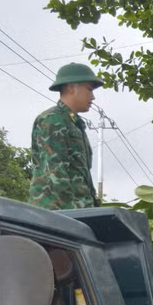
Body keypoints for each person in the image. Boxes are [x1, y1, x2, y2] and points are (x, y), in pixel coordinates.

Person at [30, 63, 103, 210]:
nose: (93, 97)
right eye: (89, 89)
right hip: (57, 212)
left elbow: (81, 176)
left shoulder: (74, 123)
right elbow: (54, 171)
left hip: (75, 212)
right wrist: (73, 214)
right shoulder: (53, 120)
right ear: (71, 88)